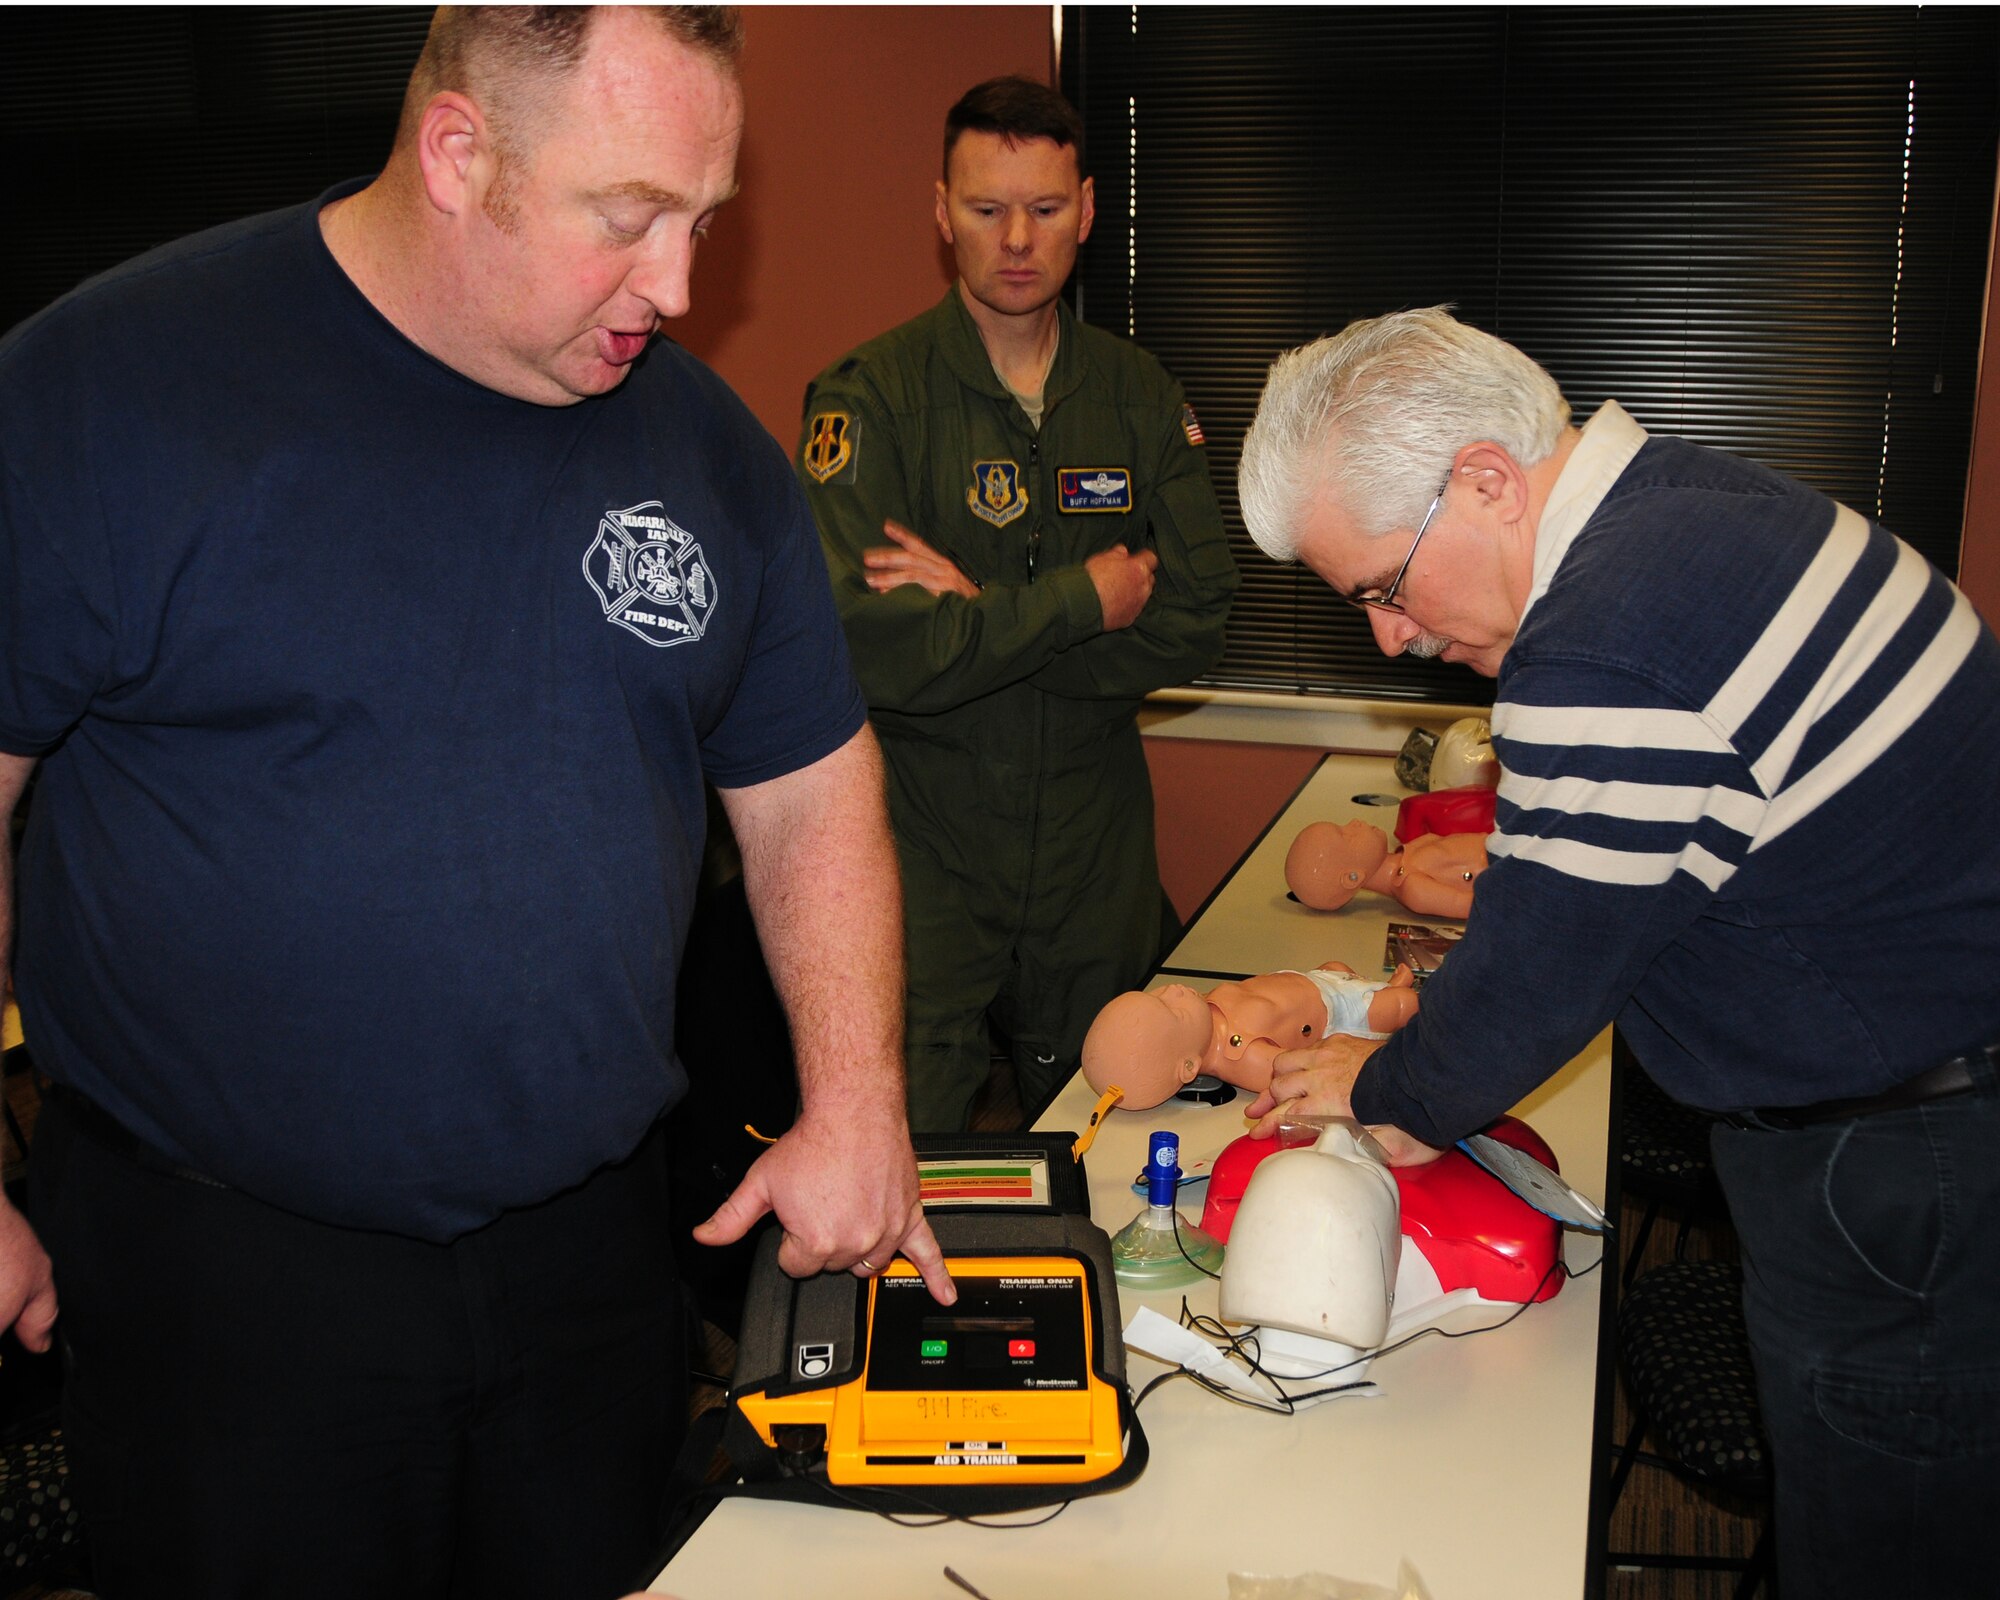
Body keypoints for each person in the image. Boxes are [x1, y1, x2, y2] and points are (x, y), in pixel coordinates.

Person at [0, 9, 951, 1599]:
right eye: (630, 217)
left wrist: (859, 1101)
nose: (681, 286)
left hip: (588, 1262)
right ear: (459, 154)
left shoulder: (701, 445)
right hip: (230, 1281)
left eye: (702, 220)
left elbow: (808, 778)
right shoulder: (105, 393)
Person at [1233, 305, 2000, 1599]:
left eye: (1380, 585)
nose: (1389, 636)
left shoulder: (1603, 634)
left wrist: (1388, 1091)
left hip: (1903, 1163)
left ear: (1483, 480)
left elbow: (1544, 968)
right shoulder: (1687, 515)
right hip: (1929, 1106)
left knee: (1890, 1547)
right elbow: (1606, 891)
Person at [795, 77, 1239, 1132]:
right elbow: (873, 651)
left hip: (1094, 847)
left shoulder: (1136, 395)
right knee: (911, 1149)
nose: (1015, 240)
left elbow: (1195, 619)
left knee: (1115, 1133)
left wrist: (981, 609)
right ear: (939, 209)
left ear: (1085, 210)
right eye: (985, 207)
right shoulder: (868, 399)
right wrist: (1079, 600)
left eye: (1043, 209)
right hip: (924, 844)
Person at [1081, 961, 1418, 1109]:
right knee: (1404, 1006)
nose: (1171, 989)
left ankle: (1375, 987)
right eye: (1174, 1010)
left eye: (1156, 994)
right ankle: (1389, 997)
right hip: (1339, 1014)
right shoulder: (1245, 1058)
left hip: (1314, 979)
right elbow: (1296, 1071)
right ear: (1188, 1067)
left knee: (1338, 967)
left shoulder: (1205, 1012)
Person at [1284, 817, 1486, 917]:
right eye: (1348, 835)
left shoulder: (1410, 852)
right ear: (1352, 877)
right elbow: (1476, 906)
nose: (1355, 822)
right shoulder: (1413, 887)